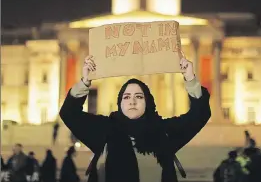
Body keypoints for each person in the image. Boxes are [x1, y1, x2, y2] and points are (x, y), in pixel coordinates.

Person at [60, 53, 211, 182]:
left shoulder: (163, 133)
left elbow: (200, 115)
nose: (132, 101)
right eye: (126, 97)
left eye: (139, 96)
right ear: (120, 103)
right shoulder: (105, 130)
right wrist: (85, 81)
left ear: (148, 102)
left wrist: (190, 78)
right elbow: (69, 113)